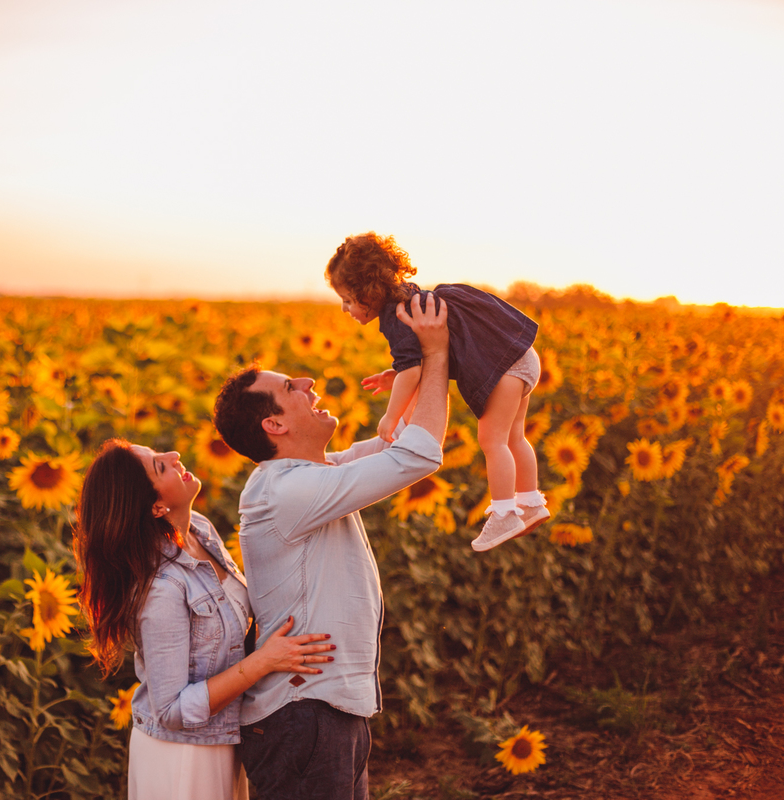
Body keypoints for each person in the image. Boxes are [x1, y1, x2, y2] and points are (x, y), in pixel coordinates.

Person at [211, 293, 450, 800]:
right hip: (305, 716)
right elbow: (419, 454)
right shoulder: (287, 490)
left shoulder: (307, 475)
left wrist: (414, 371)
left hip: (319, 712)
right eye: (290, 387)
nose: (309, 383)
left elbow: (396, 443)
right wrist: (436, 353)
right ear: (274, 426)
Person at [73, 439, 336, 800]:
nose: (174, 455)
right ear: (156, 506)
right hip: (183, 757)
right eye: (160, 466)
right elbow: (170, 709)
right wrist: (265, 661)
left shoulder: (199, 531)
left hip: (222, 739)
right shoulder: (161, 588)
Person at [325, 231, 549, 552]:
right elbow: (413, 363)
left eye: (347, 300)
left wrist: (391, 416)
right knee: (514, 437)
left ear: (368, 292)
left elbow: (414, 368)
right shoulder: (410, 297)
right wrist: (395, 375)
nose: (346, 309)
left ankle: (503, 512)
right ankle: (530, 502)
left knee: (492, 439)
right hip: (522, 358)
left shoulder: (396, 315)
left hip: (505, 366)